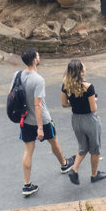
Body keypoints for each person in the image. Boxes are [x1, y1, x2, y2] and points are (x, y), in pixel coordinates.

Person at [18, 47, 73, 196]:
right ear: (35, 60)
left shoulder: (18, 76)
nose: (39, 57)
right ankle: (64, 164)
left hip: (25, 120)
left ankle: (27, 185)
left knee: (28, 151)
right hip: (42, 119)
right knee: (54, 141)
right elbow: (37, 105)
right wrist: (40, 128)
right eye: (38, 56)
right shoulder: (38, 80)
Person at [60, 59, 106, 185]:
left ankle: (74, 169)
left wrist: (76, 102)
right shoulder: (88, 87)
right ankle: (94, 175)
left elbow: (64, 104)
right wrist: (94, 100)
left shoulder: (66, 85)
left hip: (76, 120)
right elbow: (93, 108)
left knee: (83, 147)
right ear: (81, 72)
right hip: (89, 120)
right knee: (95, 148)